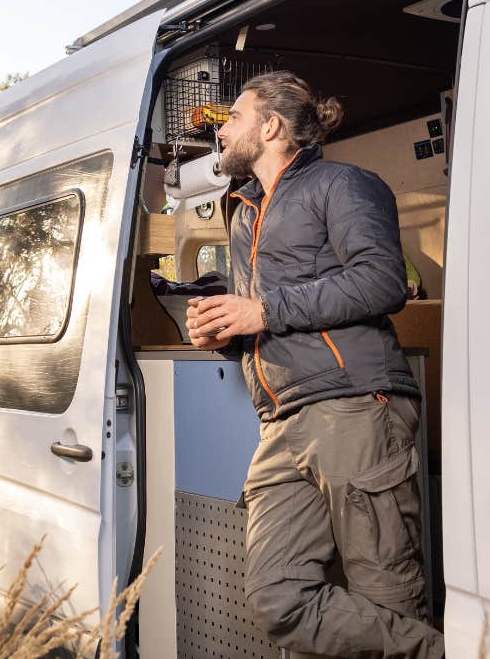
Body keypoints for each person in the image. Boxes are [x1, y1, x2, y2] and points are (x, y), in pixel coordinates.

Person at [186, 71, 444, 658]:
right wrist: (224, 332)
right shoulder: (245, 212)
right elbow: (267, 320)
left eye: (234, 118)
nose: (222, 131)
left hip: (353, 407)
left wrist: (262, 309)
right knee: (279, 597)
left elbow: (383, 282)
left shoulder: (343, 183)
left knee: (387, 595)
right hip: (279, 421)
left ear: (271, 126)